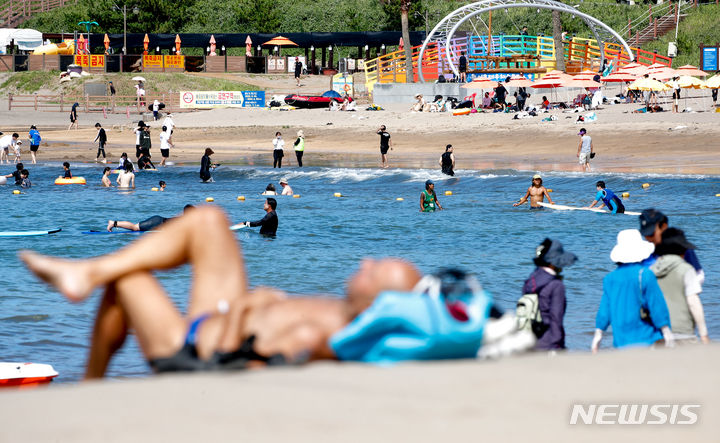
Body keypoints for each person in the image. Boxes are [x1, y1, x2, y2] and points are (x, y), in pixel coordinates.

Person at [18, 205, 422, 378]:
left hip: (194, 348)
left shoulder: (326, 338)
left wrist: (247, 308)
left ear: (379, 304)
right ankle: (86, 272)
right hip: (217, 317)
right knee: (209, 219)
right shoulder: (345, 316)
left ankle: (90, 384)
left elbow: (242, 366)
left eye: (375, 271)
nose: (366, 262)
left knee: (128, 281)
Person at [591, 229, 673, 352]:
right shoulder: (645, 274)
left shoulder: (610, 278)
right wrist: (666, 331)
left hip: (621, 340)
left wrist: (598, 335)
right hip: (646, 337)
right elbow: (657, 306)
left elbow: (604, 310)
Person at [650, 228, 709, 345]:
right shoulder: (686, 270)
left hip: (657, 330)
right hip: (683, 330)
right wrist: (704, 334)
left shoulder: (651, 270)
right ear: (683, 250)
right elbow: (693, 302)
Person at [522, 238, 577, 351]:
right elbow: (556, 317)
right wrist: (557, 344)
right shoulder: (556, 285)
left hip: (529, 341)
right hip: (549, 342)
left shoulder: (530, 281)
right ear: (553, 263)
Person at [639, 208, 704, 284]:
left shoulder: (681, 248)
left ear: (664, 227)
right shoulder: (643, 251)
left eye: (651, 234)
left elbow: (699, 274)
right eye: (645, 234)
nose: (649, 238)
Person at [107, 205, 194, 233]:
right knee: (135, 228)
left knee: (136, 228)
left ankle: (114, 223)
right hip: (156, 222)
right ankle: (113, 223)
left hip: (158, 221)